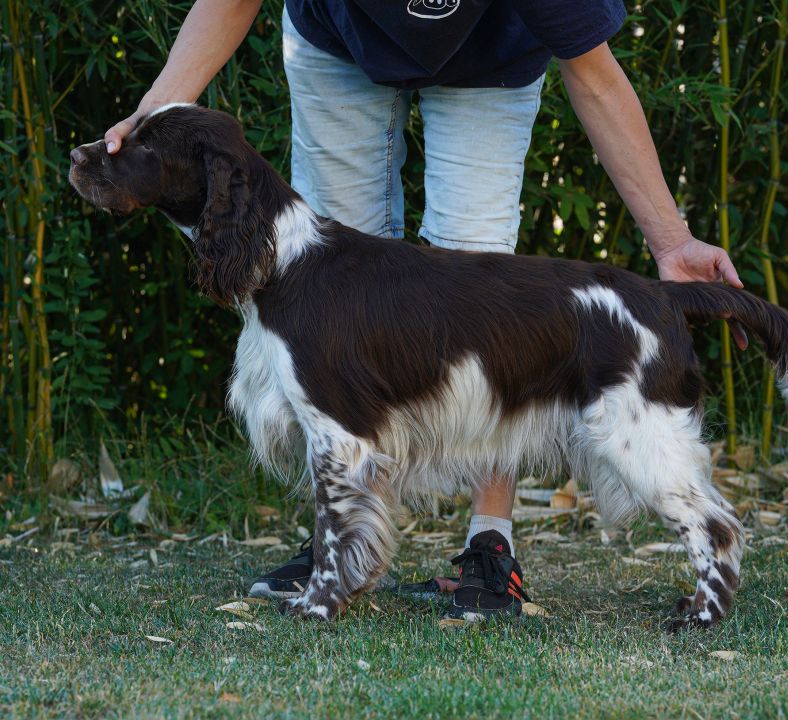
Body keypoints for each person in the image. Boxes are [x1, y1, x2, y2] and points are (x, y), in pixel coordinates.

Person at [106, 0, 743, 620]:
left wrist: (670, 240)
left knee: (489, 301)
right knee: (321, 282)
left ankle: (489, 546)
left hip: (489, 59)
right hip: (338, 42)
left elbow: (596, 75)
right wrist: (150, 125)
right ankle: (345, 548)